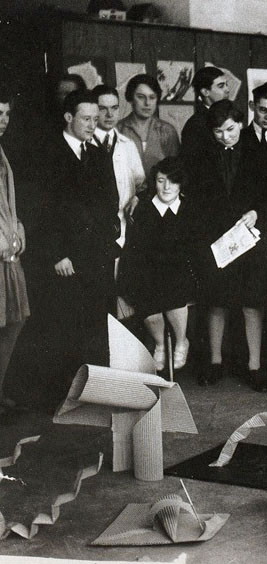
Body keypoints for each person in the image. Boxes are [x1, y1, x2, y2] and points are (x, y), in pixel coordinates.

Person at [194, 100, 267, 391]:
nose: (225, 136)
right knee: (216, 301)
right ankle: (215, 362)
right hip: (216, 238)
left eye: (230, 129)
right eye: (218, 132)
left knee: (252, 303)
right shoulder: (202, 156)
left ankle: (254, 365)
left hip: (250, 237)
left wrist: (256, 213)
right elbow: (196, 199)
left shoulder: (259, 152)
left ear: (241, 124)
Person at [42, 89, 120, 402]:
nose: (93, 123)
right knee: (67, 327)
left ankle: (96, 394)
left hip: (98, 255)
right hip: (67, 258)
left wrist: (110, 234)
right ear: (68, 117)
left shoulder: (98, 152)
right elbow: (43, 210)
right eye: (86, 118)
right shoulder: (50, 153)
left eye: (95, 118)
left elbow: (111, 199)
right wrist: (57, 253)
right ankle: (65, 397)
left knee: (98, 326)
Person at [118, 157, 201, 371]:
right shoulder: (144, 209)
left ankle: (181, 341)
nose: (165, 187)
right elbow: (134, 249)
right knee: (143, 289)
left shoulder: (189, 210)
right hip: (149, 270)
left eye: (172, 182)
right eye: (161, 180)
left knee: (174, 285)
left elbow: (193, 249)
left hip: (179, 272)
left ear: (180, 184)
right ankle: (161, 344)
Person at [0, 88, 29, 418]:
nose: (4, 121)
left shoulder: (2, 150)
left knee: (12, 322)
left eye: (6, 114)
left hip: (9, 252)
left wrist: (17, 229)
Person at [90, 85, 145, 249]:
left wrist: (137, 198)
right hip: (95, 231)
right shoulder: (84, 145)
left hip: (125, 227)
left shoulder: (127, 144)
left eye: (114, 108)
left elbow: (141, 184)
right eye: (103, 109)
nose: (109, 114)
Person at [117, 74, 180, 186]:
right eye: (141, 97)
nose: (147, 103)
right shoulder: (118, 130)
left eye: (152, 97)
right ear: (131, 98)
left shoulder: (167, 131)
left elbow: (176, 171)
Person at [180, 66, 230, 173]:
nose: (227, 90)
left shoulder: (230, 117)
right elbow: (193, 167)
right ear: (205, 92)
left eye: (227, 85)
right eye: (221, 86)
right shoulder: (195, 125)